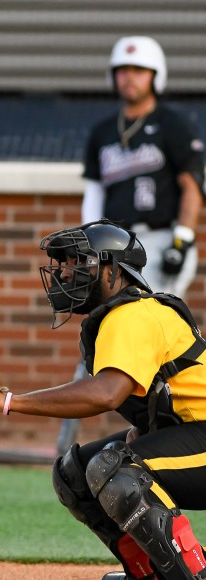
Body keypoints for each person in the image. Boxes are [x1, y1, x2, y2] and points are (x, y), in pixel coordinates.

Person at [0, 220, 206, 580]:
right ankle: (157, 579)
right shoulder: (118, 317)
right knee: (74, 472)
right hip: (196, 438)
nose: (67, 272)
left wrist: (7, 402)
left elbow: (104, 393)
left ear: (114, 270)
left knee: (117, 470)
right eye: (65, 263)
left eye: (79, 261)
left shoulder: (135, 314)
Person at [59, 35, 206, 454]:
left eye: (139, 70)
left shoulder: (173, 124)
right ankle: (79, 430)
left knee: (148, 333)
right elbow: (94, 191)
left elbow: (191, 184)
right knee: (103, 328)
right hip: (114, 251)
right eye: (123, 70)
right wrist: (85, 239)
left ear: (155, 77)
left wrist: (184, 236)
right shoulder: (104, 131)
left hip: (159, 242)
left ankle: (172, 431)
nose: (130, 77)